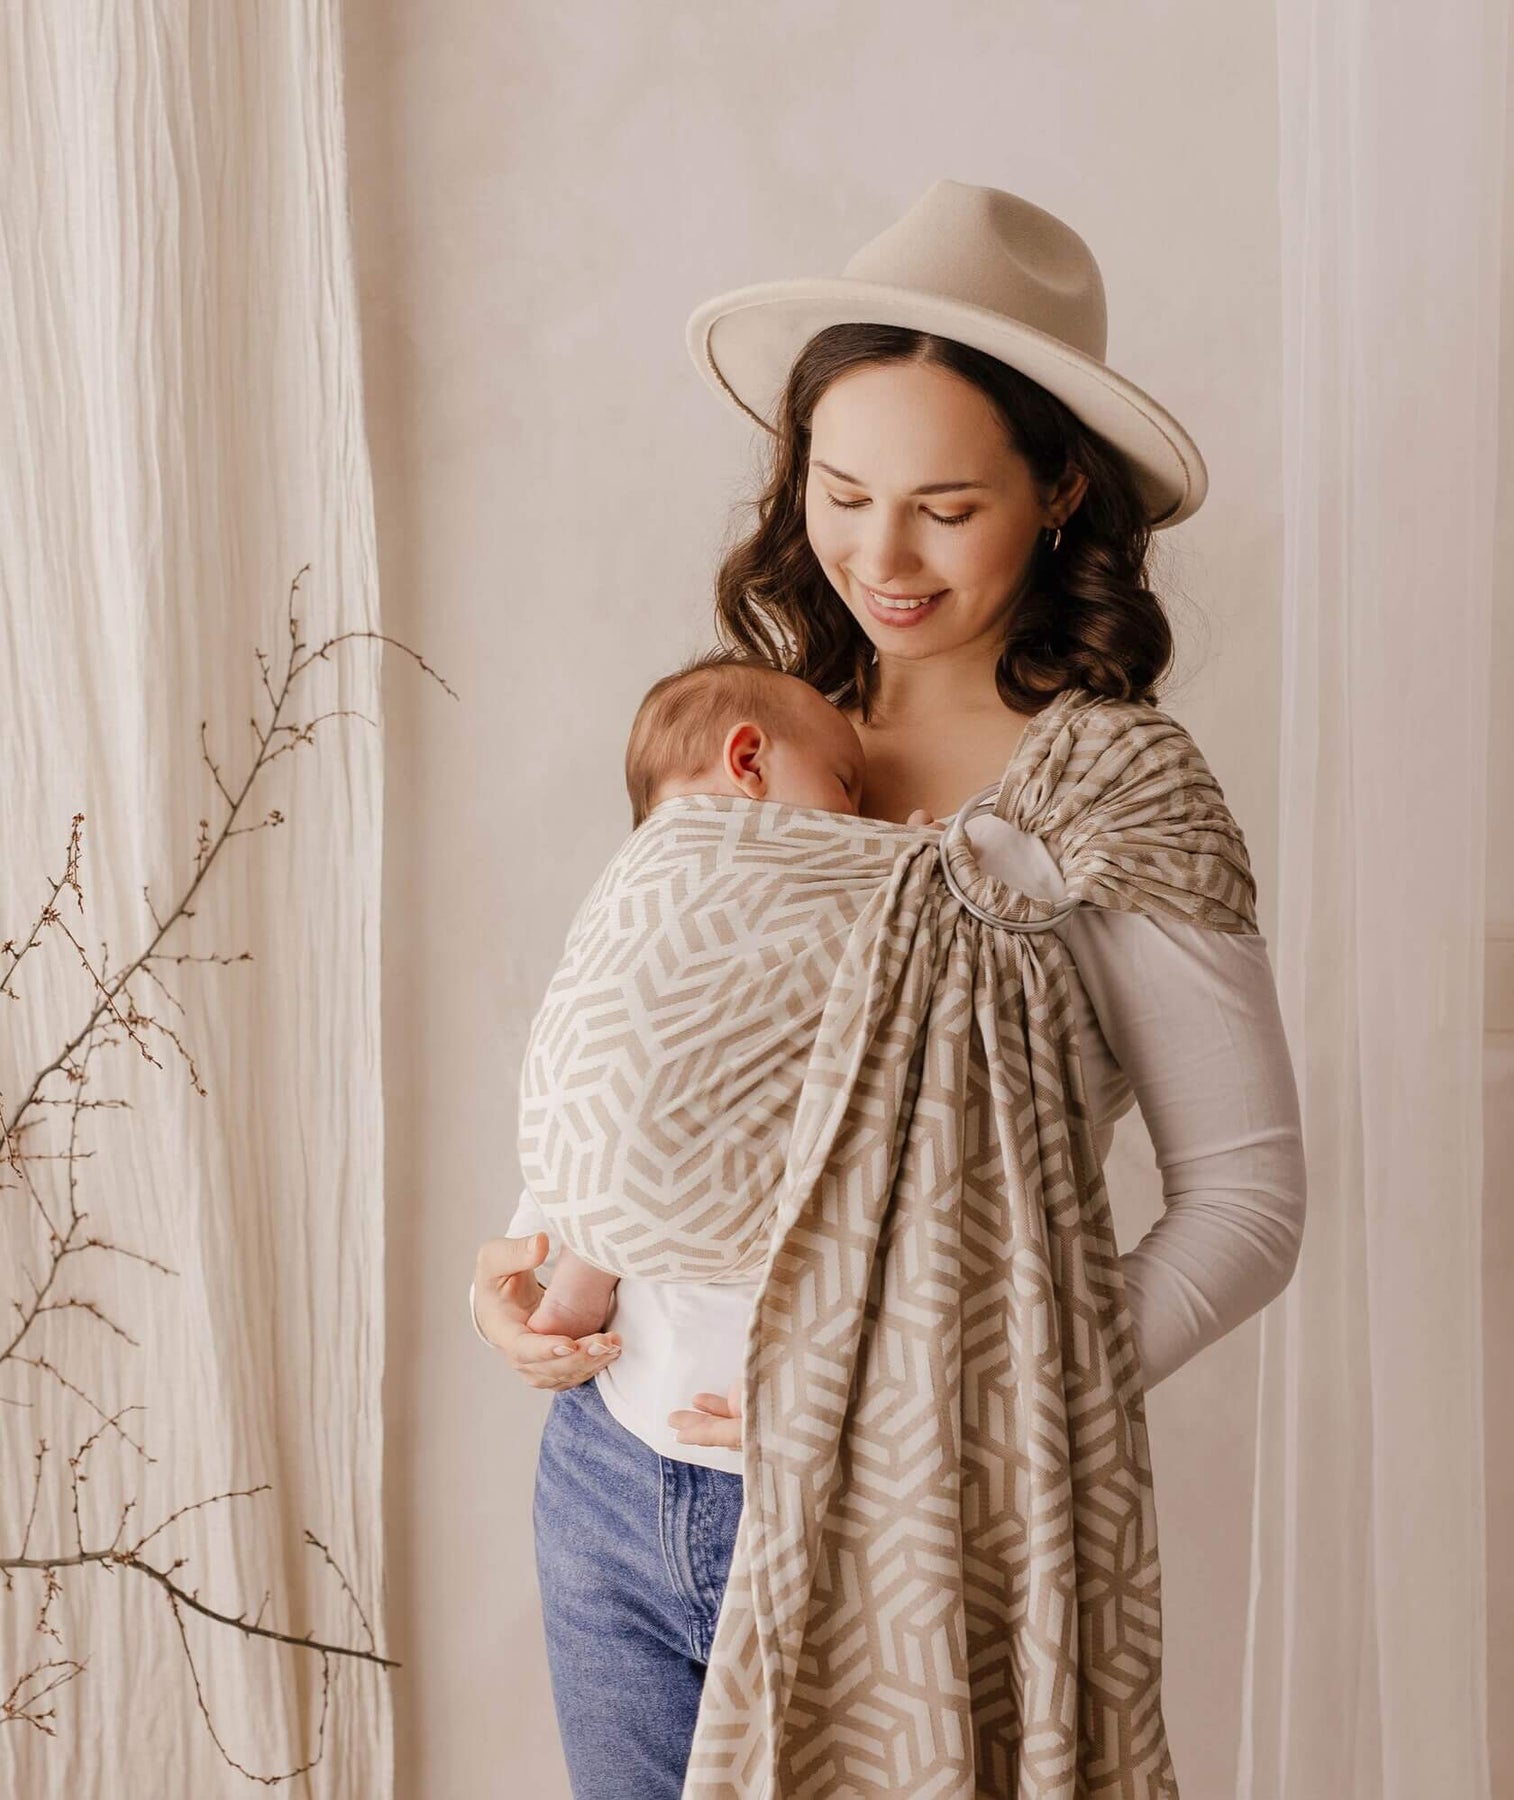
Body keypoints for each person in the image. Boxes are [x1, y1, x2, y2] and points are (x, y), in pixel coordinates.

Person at [468, 179, 1307, 1800]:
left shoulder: (1112, 796)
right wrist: (522, 1253)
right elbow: (658, 1035)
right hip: (608, 1486)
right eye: (841, 493)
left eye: (943, 505)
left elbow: (1245, 1206)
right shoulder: (761, 733)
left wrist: (957, 1410)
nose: (878, 555)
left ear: (1060, 491)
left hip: (901, 1540)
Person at [509, 651, 933, 1352]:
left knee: (662, 1084)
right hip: (688, 1203)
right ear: (749, 762)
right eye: (844, 785)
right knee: (801, 1171)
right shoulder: (725, 851)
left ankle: (576, 1288)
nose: (857, 814)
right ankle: (766, 1366)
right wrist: (914, 855)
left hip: (566, 1172)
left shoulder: (643, 873)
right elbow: (916, 899)